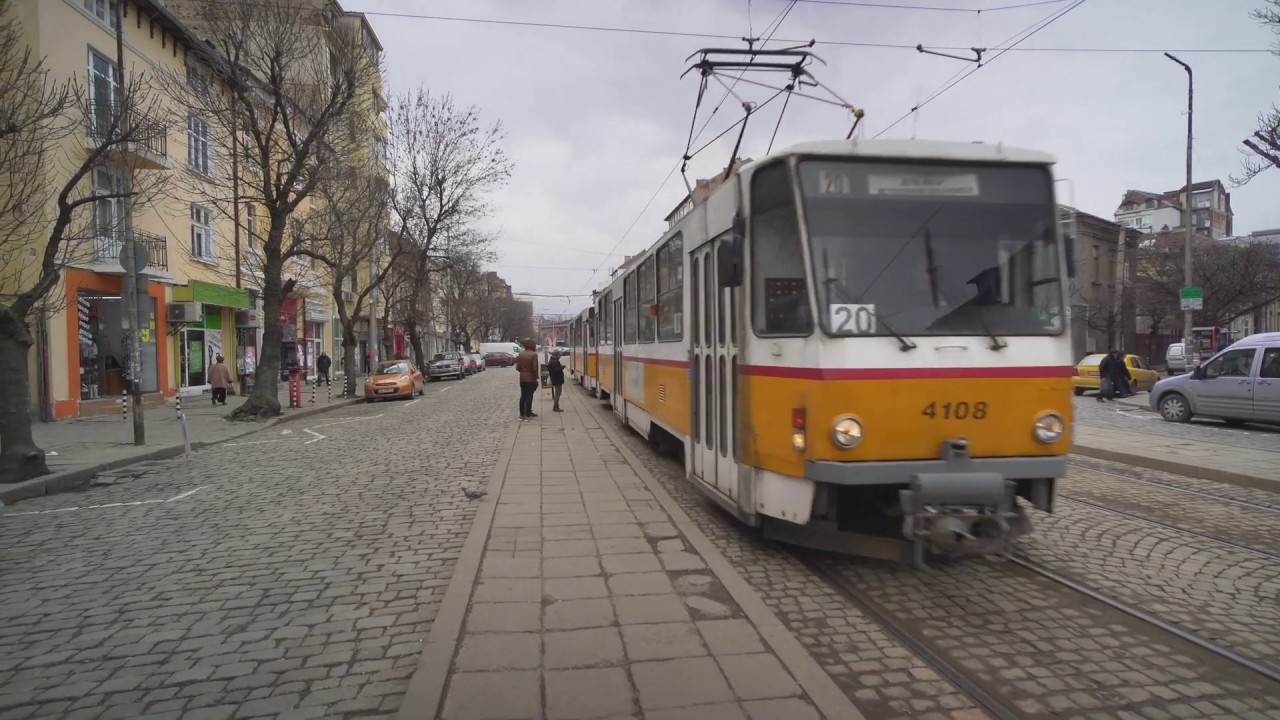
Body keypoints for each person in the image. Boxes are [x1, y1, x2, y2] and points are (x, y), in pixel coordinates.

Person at [515, 338, 539, 420]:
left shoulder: (520, 354)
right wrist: (536, 378)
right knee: (529, 396)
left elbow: (517, 367)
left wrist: (522, 371)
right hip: (530, 378)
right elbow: (535, 368)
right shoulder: (533, 354)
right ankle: (528, 414)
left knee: (523, 396)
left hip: (522, 378)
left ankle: (522, 414)